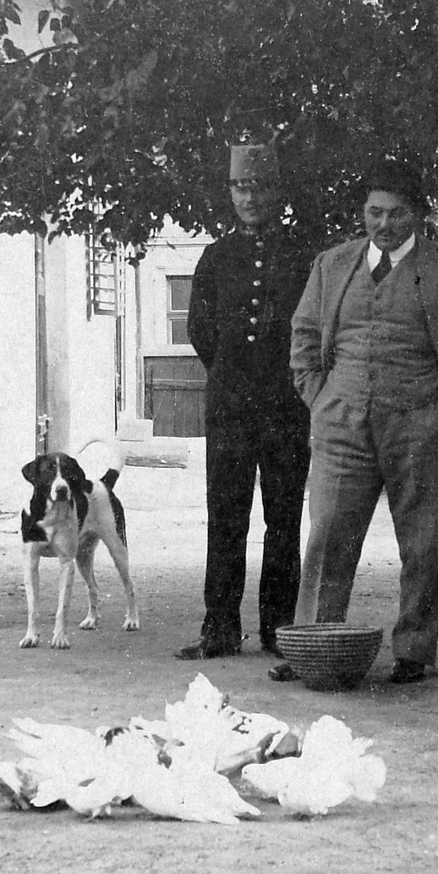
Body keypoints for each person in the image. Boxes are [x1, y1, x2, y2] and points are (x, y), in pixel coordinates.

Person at [285, 160, 438, 684]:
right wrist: (322, 400)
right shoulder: (332, 265)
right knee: (328, 534)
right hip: (342, 426)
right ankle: (314, 643)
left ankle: (413, 649)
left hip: (419, 426)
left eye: (397, 214)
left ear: (420, 214)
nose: (384, 225)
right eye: (374, 213)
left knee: (423, 541)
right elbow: (304, 338)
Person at [174, 141, 315, 661]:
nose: (250, 197)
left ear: (277, 191)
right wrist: (236, 376)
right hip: (231, 407)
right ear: (229, 192)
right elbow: (199, 329)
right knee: (226, 515)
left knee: (283, 517)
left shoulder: (303, 257)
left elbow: (312, 329)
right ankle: (220, 628)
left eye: (259, 186)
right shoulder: (216, 257)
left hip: (284, 407)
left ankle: (278, 627)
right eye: (240, 187)